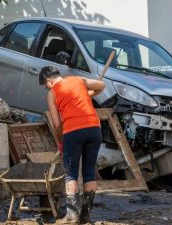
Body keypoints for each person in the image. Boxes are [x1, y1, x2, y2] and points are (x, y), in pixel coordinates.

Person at [39, 66, 105, 224]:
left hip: (73, 132)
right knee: (89, 172)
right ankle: (85, 215)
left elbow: (56, 124)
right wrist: (87, 94)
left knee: (71, 174)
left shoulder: (52, 93)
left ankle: (71, 216)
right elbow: (101, 86)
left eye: (45, 85)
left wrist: (60, 142)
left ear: (49, 81)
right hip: (94, 129)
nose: (46, 88)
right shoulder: (77, 80)